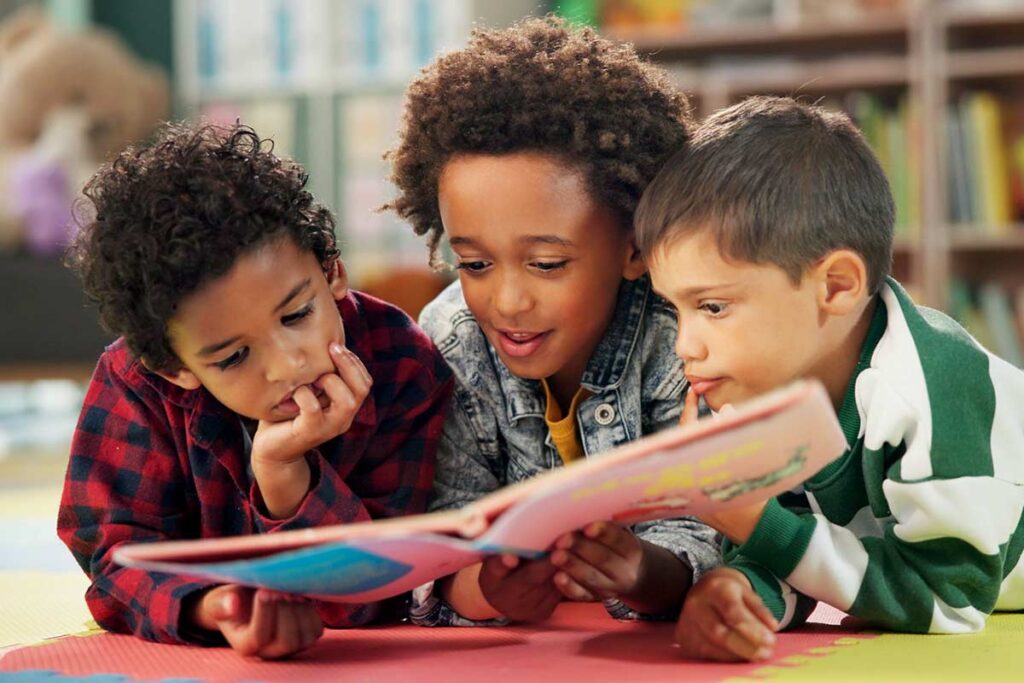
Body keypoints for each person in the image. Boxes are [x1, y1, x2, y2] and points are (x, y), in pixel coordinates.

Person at [634, 95, 1024, 662]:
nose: (684, 346)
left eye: (713, 307)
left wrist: (758, 524)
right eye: (676, 310)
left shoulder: (930, 388)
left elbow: (951, 598)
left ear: (836, 286)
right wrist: (736, 594)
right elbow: (799, 559)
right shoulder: (750, 391)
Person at [58, 122, 454, 658]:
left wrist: (285, 472)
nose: (289, 364)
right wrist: (213, 606)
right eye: (235, 356)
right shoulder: (136, 384)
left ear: (332, 272)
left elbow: (376, 595)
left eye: (297, 314)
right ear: (174, 366)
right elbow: (115, 559)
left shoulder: (400, 362)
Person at [385, 16, 720, 627]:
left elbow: (712, 530)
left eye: (546, 263)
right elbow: (443, 536)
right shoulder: (449, 343)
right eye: (475, 263)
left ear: (634, 245)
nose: (507, 301)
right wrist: (486, 592)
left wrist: (644, 573)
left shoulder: (684, 341)